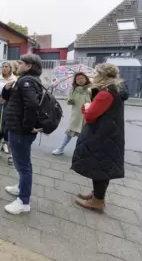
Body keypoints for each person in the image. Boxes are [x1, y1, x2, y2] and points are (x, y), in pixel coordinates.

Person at [71, 63, 126, 211]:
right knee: (103, 165)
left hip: (102, 135)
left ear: (102, 76)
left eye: (96, 74)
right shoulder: (116, 90)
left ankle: (98, 201)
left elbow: (89, 117)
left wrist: (88, 108)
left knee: (99, 166)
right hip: (110, 134)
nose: (94, 76)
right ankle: (97, 194)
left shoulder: (105, 93)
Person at [1, 54, 44, 215]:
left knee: (23, 166)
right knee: (24, 163)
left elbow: (32, 105)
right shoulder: (25, 80)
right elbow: (10, 100)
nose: (17, 65)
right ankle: (20, 187)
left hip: (20, 131)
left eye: (21, 63)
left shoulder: (26, 82)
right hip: (18, 129)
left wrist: (27, 127)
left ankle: (23, 202)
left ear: (29, 66)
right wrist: (6, 90)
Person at [52, 72, 91, 155]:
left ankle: (82, 152)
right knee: (69, 133)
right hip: (76, 116)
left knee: (85, 136)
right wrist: (70, 100)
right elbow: (69, 101)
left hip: (88, 116)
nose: (80, 80)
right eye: (78, 79)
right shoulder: (73, 90)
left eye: (82, 78)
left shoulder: (91, 89)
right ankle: (60, 148)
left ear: (86, 79)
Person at [0, 61, 16, 160]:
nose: (4, 68)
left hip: (9, 109)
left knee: (8, 132)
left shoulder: (15, 80)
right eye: (3, 66)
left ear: (10, 68)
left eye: (6, 67)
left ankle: (10, 155)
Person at [0, 94, 12, 164]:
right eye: (0, 98)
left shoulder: (9, 107)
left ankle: (10, 156)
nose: (1, 99)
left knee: (8, 142)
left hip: (7, 129)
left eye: (3, 98)